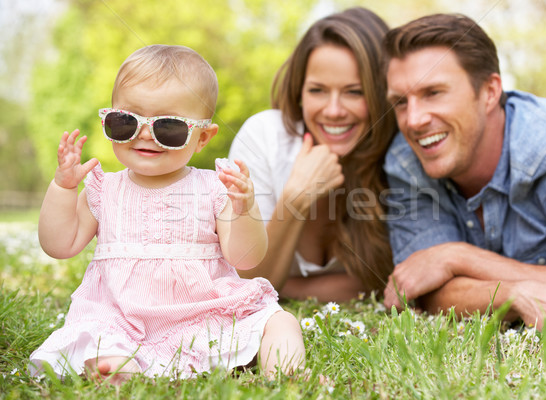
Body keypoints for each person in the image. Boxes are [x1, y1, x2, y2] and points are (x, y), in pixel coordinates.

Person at [29, 45, 305, 384]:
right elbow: (59, 244)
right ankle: (121, 372)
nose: (144, 134)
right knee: (103, 347)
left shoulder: (215, 187)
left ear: (202, 137)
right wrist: (62, 189)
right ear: (108, 121)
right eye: (125, 122)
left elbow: (245, 258)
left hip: (202, 313)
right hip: (120, 317)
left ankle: (287, 376)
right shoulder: (104, 189)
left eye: (169, 128)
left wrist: (244, 209)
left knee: (279, 322)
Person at [382, 13, 546, 337]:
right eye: (400, 102)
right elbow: (424, 289)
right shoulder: (405, 162)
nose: (413, 120)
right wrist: (516, 294)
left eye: (433, 93)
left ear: (489, 91)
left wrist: (455, 256)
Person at [229, 7, 397, 302]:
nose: (333, 111)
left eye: (354, 92)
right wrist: (297, 197)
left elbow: (393, 283)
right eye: (317, 90)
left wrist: (290, 289)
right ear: (299, 93)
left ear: (381, 93)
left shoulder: (397, 155)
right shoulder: (265, 139)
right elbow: (247, 287)